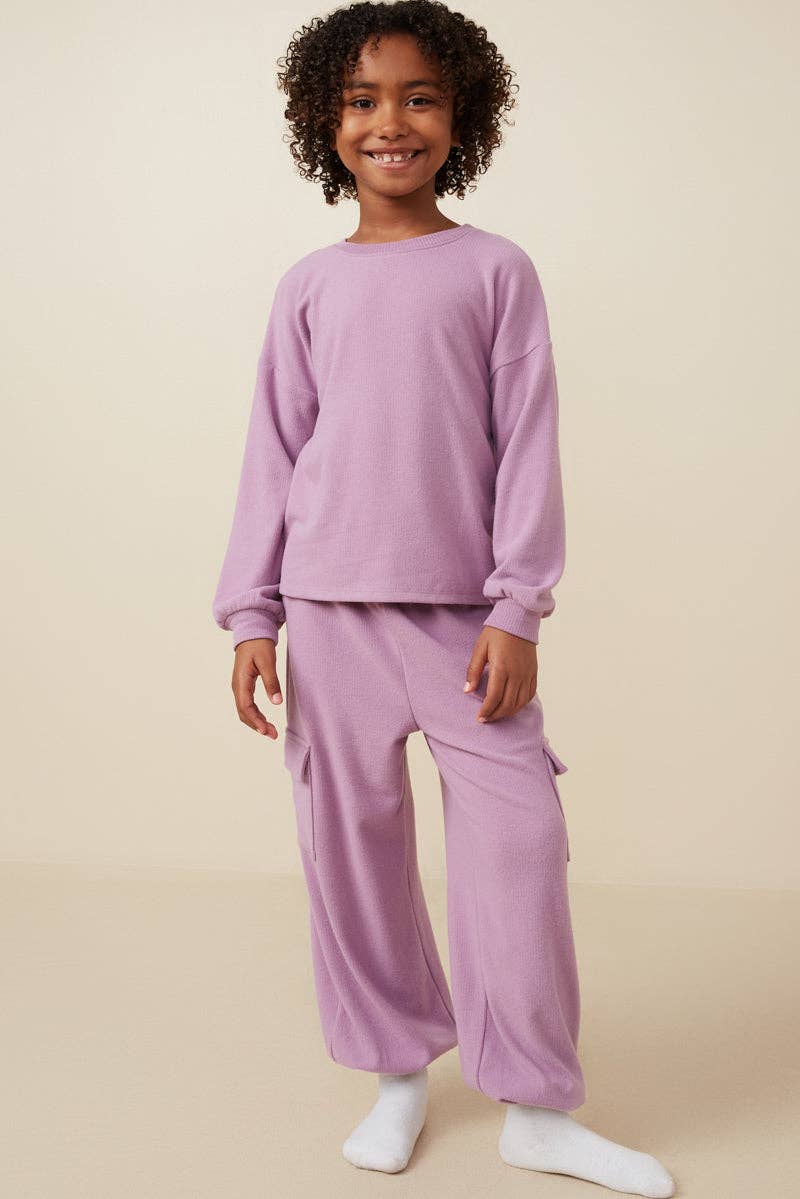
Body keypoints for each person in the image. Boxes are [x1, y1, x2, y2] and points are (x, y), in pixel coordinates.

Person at [211, 3, 675, 1194]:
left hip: (463, 621)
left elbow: (526, 443)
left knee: (518, 844)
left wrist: (517, 606)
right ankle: (397, 1076)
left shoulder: (493, 270)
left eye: (418, 97)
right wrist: (252, 613)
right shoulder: (308, 285)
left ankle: (535, 1104)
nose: (391, 121)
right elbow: (273, 452)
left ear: (459, 117)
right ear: (325, 124)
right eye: (363, 100)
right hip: (326, 613)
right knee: (350, 852)